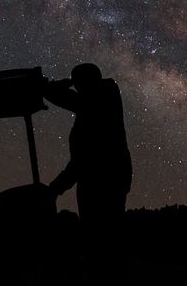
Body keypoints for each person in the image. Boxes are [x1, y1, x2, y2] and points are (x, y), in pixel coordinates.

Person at [43, 63, 132, 284]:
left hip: (103, 182)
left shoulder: (102, 94)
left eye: (77, 81)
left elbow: (84, 161)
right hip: (106, 179)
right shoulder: (96, 104)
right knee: (104, 243)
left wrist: (56, 187)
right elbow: (82, 160)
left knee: (100, 245)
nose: (76, 87)